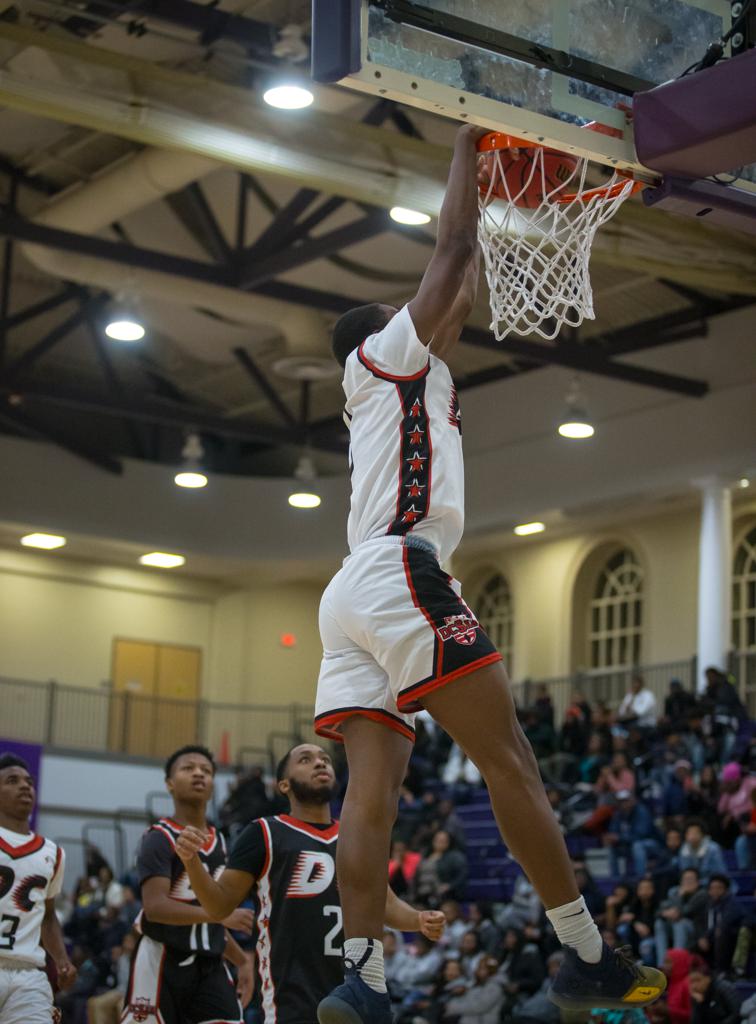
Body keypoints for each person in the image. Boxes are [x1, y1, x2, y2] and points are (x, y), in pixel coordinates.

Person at [307, 122, 666, 1024]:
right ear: (382, 334)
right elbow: (455, 253)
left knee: (370, 802)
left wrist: (507, 184)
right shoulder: (386, 355)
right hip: (398, 572)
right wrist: (472, 147)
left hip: (351, 592)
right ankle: (586, 953)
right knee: (512, 763)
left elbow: (461, 288)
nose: (435, 314)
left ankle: (363, 981)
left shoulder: (398, 383)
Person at [174, 743, 445, 1024]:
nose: (320, 763)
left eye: (325, 759)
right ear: (283, 785)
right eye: (306, 760)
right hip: (291, 997)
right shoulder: (263, 833)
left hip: (354, 994)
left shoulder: (355, 837)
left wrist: (418, 919)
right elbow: (219, 906)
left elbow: (384, 902)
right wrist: (191, 861)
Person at [122, 744, 254, 1024]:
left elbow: (210, 921)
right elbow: (155, 907)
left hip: (209, 963)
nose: (198, 774)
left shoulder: (221, 842)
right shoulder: (158, 837)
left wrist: (241, 960)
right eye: (188, 768)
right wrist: (219, 914)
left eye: (206, 770)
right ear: (169, 784)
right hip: (162, 958)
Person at [0, 752, 77, 1024]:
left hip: (28, 973)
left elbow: (47, 914)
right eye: (12, 780)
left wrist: (61, 959)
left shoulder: (53, 853)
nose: (24, 786)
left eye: (29, 782)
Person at [654, 867, 708, 965]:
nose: (687, 882)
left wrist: (680, 897)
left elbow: (685, 911)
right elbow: (659, 910)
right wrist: (664, 913)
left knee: (679, 923)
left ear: (698, 881)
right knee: (659, 923)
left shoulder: (702, 894)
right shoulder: (675, 892)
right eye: (685, 879)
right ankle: (661, 964)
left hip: (696, 931)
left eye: (691, 879)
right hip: (675, 927)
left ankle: (676, 963)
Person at [604, 790, 664, 877]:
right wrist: (610, 837)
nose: (623, 803)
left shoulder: (642, 812)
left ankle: (640, 877)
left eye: (626, 800)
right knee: (612, 848)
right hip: (629, 843)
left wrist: (619, 838)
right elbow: (613, 830)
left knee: (637, 846)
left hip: (652, 844)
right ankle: (615, 879)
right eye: (621, 801)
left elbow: (640, 835)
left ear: (633, 800)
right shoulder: (618, 814)